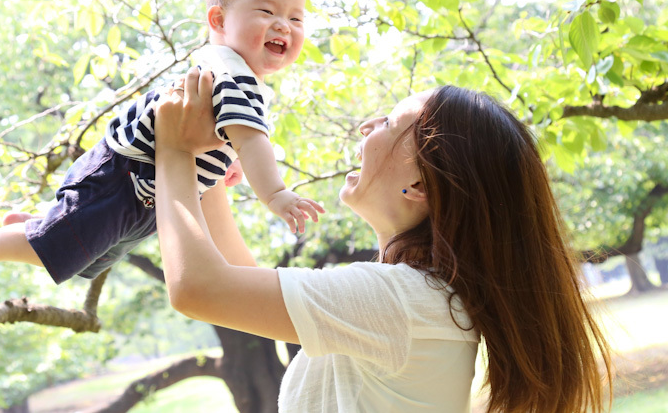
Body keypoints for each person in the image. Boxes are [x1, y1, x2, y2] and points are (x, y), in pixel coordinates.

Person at [152, 68, 613, 412]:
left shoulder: (400, 302)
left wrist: (171, 149)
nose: (366, 125)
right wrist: (206, 171)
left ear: (421, 187)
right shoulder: (417, 298)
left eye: (390, 124)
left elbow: (200, 289)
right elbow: (240, 286)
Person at [0, 0, 324, 304]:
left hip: (148, 194)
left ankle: (41, 226)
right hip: (124, 177)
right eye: (266, 11)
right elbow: (251, 138)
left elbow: (233, 135)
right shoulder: (233, 75)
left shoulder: (236, 74)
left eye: (295, 18)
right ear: (219, 20)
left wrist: (228, 161)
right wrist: (275, 194)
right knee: (64, 248)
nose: (283, 26)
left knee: (91, 256)